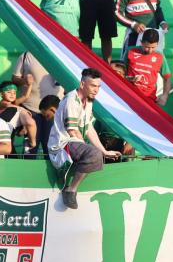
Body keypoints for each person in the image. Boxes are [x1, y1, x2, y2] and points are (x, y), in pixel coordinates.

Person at [48, 68, 121, 209]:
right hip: (62, 144)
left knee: (96, 154)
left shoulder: (89, 101)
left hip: (73, 142)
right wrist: (88, 150)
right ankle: (71, 189)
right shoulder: (71, 100)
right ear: (82, 84)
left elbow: (89, 129)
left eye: (99, 87)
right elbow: (72, 130)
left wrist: (104, 151)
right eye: (93, 86)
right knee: (93, 154)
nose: (96, 90)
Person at [126, 29, 171, 106]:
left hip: (149, 98)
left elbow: (167, 78)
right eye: (146, 47)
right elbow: (120, 72)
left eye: (153, 47)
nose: (150, 50)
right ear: (141, 42)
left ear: (157, 44)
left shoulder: (160, 56)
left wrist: (165, 96)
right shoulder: (131, 51)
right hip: (129, 95)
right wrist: (129, 78)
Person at [0, 82, 37, 155]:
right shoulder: (3, 103)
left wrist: (30, 84)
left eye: (14, 93)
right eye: (9, 92)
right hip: (1, 137)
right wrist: (23, 109)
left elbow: (25, 96)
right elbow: (8, 106)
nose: (12, 94)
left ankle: (23, 133)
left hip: (9, 137)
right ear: (1, 94)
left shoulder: (13, 104)